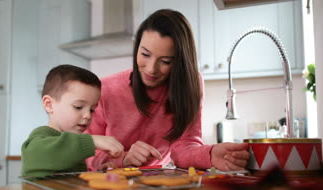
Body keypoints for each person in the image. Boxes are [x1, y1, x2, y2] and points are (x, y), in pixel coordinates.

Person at [86, 9, 249, 171]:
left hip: (157, 184)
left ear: (179, 62)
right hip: (110, 183)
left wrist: (210, 155)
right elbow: (86, 152)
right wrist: (124, 158)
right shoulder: (104, 89)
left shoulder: (190, 83)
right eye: (145, 54)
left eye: (165, 61)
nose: (151, 69)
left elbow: (184, 146)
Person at [21, 64, 124, 177]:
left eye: (92, 110)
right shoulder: (42, 135)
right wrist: (92, 141)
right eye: (78, 107)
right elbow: (39, 155)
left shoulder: (74, 146)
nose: (87, 115)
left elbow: (71, 177)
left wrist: (97, 172)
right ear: (49, 105)